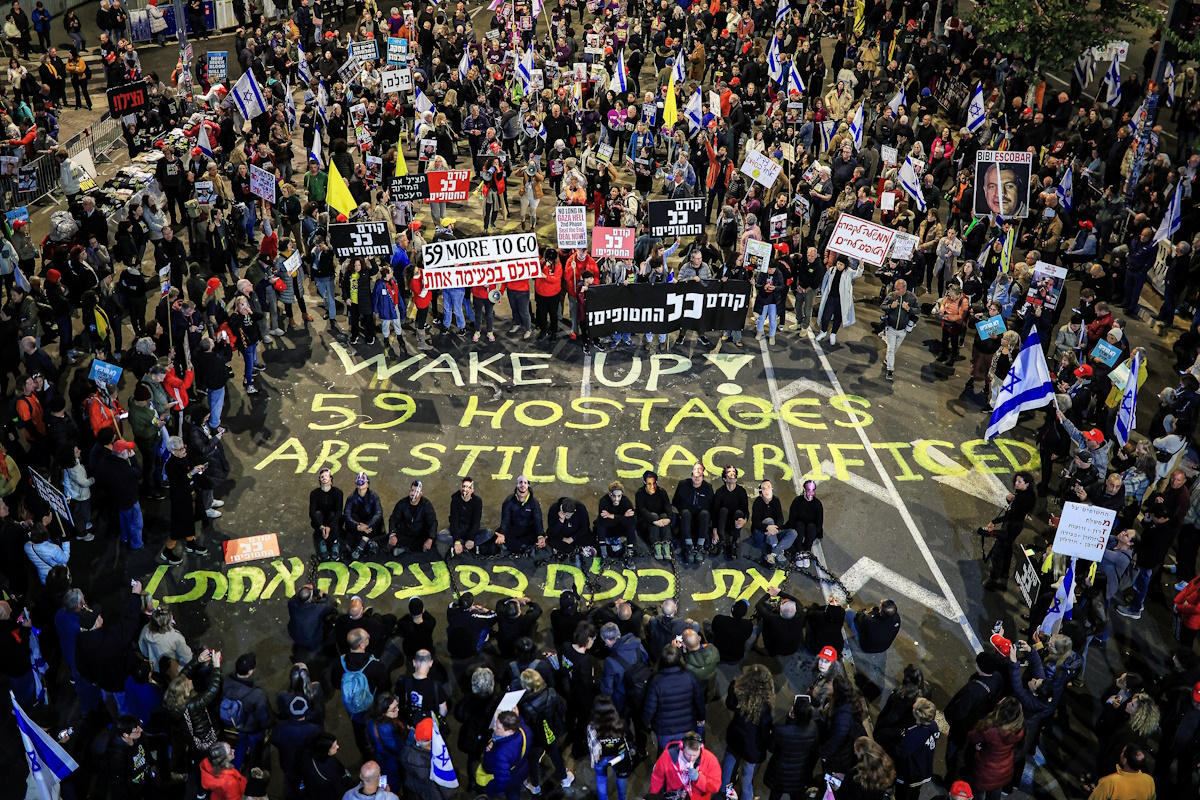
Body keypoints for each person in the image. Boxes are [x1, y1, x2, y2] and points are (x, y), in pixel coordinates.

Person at [721, 663, 774, 800]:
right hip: (752, 746)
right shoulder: (764, 707)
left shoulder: (737, 688)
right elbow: (763, 732)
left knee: (729, 762)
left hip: (735, 737)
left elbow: (730, 705)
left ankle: (723, 789)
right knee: (747, 775)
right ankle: (746, 796)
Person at [978, 472, 1038, 591]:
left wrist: (994, 521)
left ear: (1026, 484)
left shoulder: (1024, 499)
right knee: (1007, 548)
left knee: (999, 552)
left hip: (1012, 525)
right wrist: (1009, 499)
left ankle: (993, 578)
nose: (1016, 483)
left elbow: (1012, 515)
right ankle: (1004, 573)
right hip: (1013, 524)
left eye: (1019, 482)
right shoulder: (1024, 494)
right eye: (1016, 481)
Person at [644, 644, 706, 750]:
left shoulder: (656, 681)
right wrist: (701, 717)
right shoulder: (689, 676)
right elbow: (699, 700)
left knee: (668, 757)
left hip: (664, 730)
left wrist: (644, 724)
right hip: (687, 726)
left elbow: (650, 708)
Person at [648, 731, 722, 800]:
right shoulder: (667, 757)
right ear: (681, 746)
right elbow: (657, 778)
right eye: (688, 754)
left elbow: (715, 787)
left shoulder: (710, 760)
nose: (691, 758)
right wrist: (653, 796)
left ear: (701, 748)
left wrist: (699, 778)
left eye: (695, 755)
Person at [479, 710, 532, 800]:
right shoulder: (526, 730)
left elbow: (502, 780)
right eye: (495, 724)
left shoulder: (501, 753)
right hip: (521, 772)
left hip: (509, 780)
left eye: (498, 728)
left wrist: (493, 791)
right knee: (514, 793)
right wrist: (517, 717)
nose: (494, 728)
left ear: (509, 731)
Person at [672, 463, 715, 563]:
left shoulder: (708, 488)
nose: (696, 479)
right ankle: (689, 546)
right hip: (686, 520)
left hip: (700, 521)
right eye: (695, 476)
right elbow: (675, 503)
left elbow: (712, 507)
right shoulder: (683, 485)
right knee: (685, 513)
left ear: (702, 477)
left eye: (699, 476)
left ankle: (700, 546)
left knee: (705, 514)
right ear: (691, 476)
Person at [880, 278, 920, 381]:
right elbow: (882, 306)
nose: (896, 291)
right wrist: (890, 306)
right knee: (891, 349)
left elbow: (918, 310)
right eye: (895, 289)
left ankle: (887, 360)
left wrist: (909, 309)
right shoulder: (891, 295)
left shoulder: (912, 297)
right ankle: (890, 370)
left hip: (903, 330)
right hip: (891, 328)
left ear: (905, 288)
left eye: (898, 289)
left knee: (894, 349)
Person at [756, 586, 805, 657]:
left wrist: (769, 594)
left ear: (781, 610)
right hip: (793, 649)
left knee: (766, 628)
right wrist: (780, 593)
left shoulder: (772, 619)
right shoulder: (800, 616)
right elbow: (797, 601)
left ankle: (770, 652)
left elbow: (759, 605)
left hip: (775, 649)